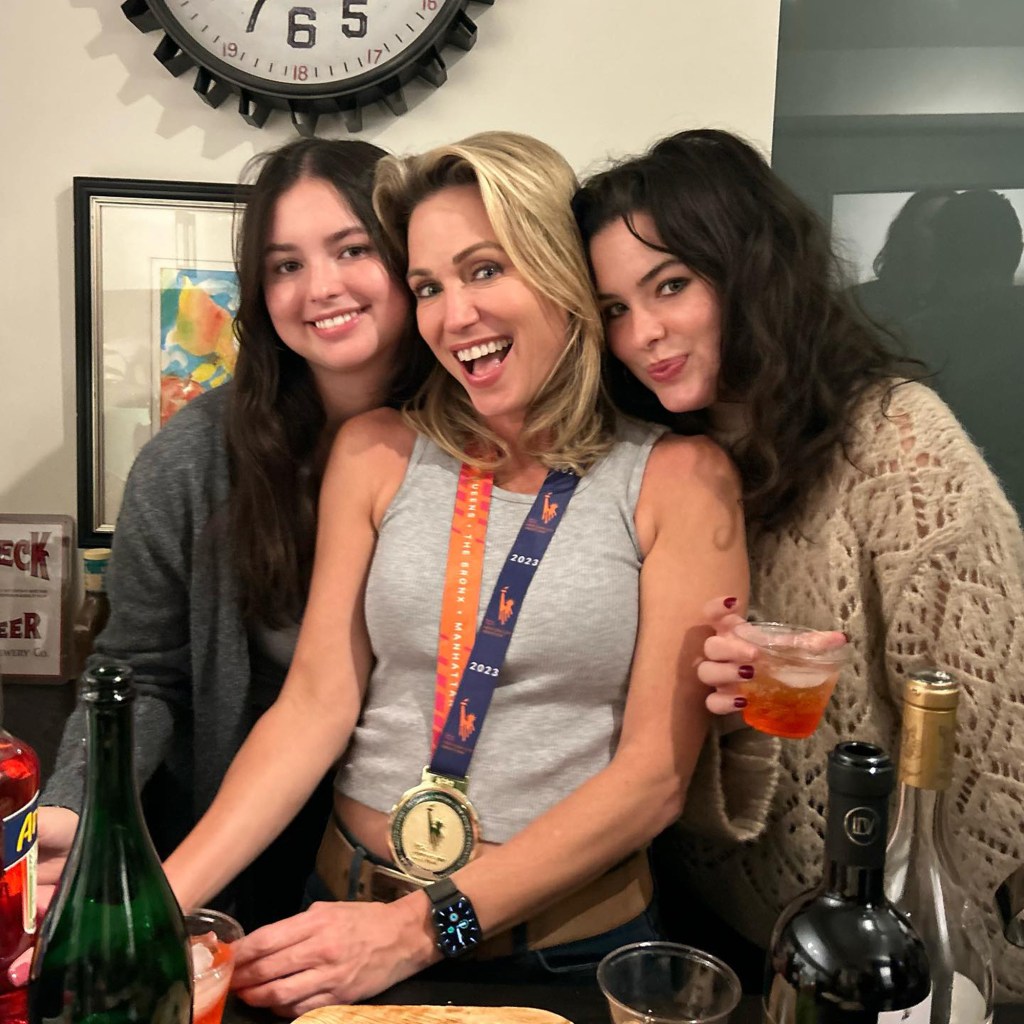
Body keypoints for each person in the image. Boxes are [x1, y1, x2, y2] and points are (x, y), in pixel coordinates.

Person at [160, 130, 748, 1017]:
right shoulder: (377, 453)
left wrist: (418, 933)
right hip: (343, 923)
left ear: (559, 272)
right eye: (429, 287)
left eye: (483, 271)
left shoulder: (678, 480)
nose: (451, 315)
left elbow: (653, 780)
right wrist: (154, 902)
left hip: (561, 956)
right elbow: (317, 703)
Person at [573, 128, 1024, 997]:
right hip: (710, 936)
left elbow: (993, 751)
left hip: (887, 965)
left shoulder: (899, 444)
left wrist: (961, 980)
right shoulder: (656, 466)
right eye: (615, 309)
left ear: (751, 273)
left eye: (670, 285)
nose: (644, 335)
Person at [36, 136, 432, 939]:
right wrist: (79, 808)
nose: (320, 287)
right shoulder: (192, 460)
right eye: (285, 265)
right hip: (239, 844)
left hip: (420, 852)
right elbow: (138, 672)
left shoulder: (481, 444)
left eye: (352, 249)